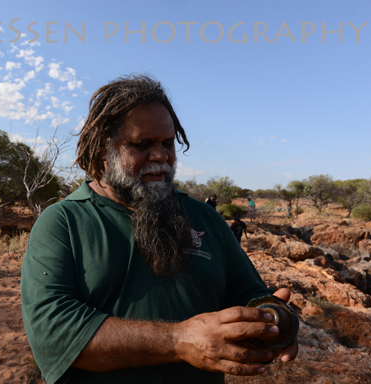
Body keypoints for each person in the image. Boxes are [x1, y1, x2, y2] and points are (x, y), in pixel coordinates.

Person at [21, 75, 298, 384]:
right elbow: (53, 335)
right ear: (103, 150)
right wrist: (179, 341)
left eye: (168, 143)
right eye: (142, 144)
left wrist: (270, 321)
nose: (161, 156)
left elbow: (249, 293)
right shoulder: (63, 223)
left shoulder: (206, 219)